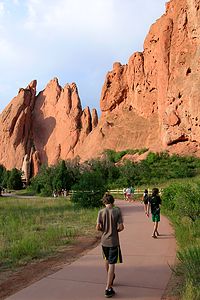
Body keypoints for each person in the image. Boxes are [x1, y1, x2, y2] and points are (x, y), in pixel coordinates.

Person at [96, 193, 124, 298]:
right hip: (114, 241)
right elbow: (121, 227)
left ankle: (110, 278)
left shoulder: (101, 212)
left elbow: (98, 227)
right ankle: (108, 288)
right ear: (113, 201)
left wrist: (104, 230)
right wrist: (115, 230)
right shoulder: (117, 211)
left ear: (104, 202)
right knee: (112, 263)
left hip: (104, 241)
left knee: (106, 260)